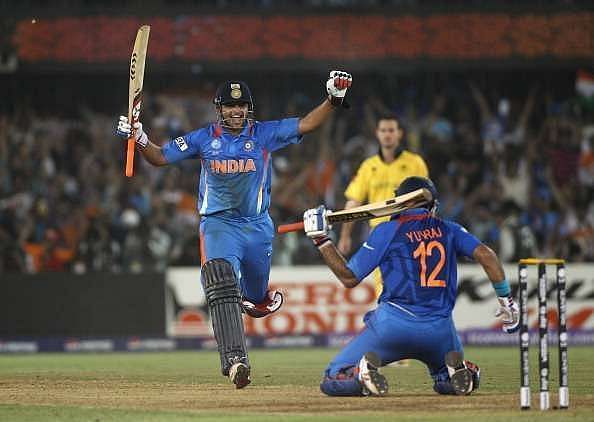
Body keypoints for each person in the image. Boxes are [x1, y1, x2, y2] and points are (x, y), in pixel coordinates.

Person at [116, 71, 353, 389]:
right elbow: (159, 157)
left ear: (248, 108)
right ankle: (235, 362)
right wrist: (141, 138)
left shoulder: (264, 134)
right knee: (220, 279)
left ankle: (259, 301)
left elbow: (307, 124)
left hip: (257, 228)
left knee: (255, 298)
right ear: (220, 109)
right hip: (219, 225)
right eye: (229, 106)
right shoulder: (203, 138)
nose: (236, 111)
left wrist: (333, 99)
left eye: (241, 106)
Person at [302, 176, 519, 396]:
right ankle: (460, 372)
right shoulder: (449, 229)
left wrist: (321, 238)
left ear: (398, 203)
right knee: (444, 382)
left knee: (333, 377)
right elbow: (487, 255)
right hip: (440, 331)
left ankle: (360, 373)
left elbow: (349, 278)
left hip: (393, 326)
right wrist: (506, 301)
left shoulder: (386, 231)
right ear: (432, 206)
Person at [338, 116, 429, 297]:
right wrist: (345, 235)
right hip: (380, 233)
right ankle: (389, 317)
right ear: (377, 134)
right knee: (383, 284)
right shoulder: (368, 166)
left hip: (409, 231)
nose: (387, 135)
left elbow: (427, 199)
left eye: (391, 130)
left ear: (399, 134)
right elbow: (353, 202)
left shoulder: (415, 163)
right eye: (384, 131)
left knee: (414, 281)